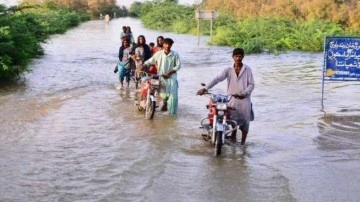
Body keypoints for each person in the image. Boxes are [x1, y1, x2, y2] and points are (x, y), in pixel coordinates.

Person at [196, 48, 255, 145]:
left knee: (245, 124)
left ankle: (243, 144)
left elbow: (251, 85)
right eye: (236, 56)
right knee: (232, 121)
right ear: (233, 57)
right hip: (232, 99)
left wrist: (244, 93)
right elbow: (217, 79)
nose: (238, 58)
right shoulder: (228, 70)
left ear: (243, 57)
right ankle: (232, 138)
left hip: (244, 100)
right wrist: (205, 88)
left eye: (240, 56)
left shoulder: (247, 69)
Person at [143, 38, 181, 115]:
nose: (167, 46)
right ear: (163, 44)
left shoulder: (175, 54)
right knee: (162, 94)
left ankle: (172, 116)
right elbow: (150, 61)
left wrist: (169, 72)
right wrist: (144, 65)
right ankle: (165, 103)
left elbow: (178, 66)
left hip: (172, 79)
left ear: (171, 45)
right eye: (166, 44)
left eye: (169, 44)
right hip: (161, 77)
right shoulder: (158, 54)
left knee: (173, 98)